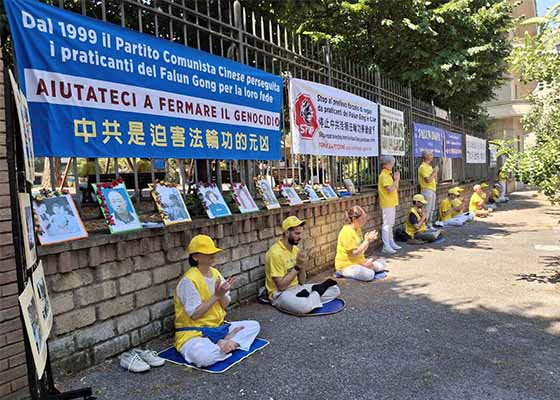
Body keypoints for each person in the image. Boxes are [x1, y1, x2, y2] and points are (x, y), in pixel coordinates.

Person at [174, 235, 260, 367]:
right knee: (205, 358)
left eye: (213, 252)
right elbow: (195, 315)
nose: (213, 255)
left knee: (253, 325)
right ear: (195, 257)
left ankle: (229, 343)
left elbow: (224, 305)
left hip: (218, 328)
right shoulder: (189, 280)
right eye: (207, 252)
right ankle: (223, 344)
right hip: (194, 334)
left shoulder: (215, 273)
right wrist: (216, 295)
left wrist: (222, 294)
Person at [265, 216, 341, 314]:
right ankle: (316, 293)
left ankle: (309, 298)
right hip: (281, 294)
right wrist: (297, 266)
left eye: (300, 233)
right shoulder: (275, 253)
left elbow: (302, 281)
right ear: (287, 233)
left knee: (335, 290)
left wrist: (302, 265)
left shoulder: (295, 250)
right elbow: (281, 287)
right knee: (303, 307)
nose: (300, 237)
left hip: (298, 288)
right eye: (297, 233)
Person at [335, 206, 386, 281]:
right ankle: (366, 268)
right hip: (346, 266)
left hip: (359, 263)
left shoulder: (358, 229)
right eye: (362, 218)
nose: (365, 221)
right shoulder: (347, 232)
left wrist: (367, 240)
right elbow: (353, 253)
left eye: (365, 218)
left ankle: (366, 267)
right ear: (354, 219)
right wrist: (366, 240)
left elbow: (362, 250)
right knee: (369, 275)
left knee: (382, 263)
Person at [377, 155, 401, 254]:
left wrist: (396, 180)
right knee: (387, 224)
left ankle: (391, 242)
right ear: (386, 164)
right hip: (387, 202)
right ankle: (386, 245)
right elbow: (390, 190)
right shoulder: (383, 176)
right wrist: (396, 180)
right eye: (391, 163)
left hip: (391, 202)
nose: (392, 165)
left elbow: (395, 188)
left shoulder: (388, 175)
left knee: (391, 224)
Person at [418, 151, 439, 229]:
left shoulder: (430, 167)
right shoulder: (422, 167)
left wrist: (435, 173)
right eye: (430, 154)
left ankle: (429, 224)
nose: (432, 156)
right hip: (426, 190)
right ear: (425, 156)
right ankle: (424, 225)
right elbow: (428, 180)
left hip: (433, 189)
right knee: (427, 209)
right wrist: (434, 172)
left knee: (432, 209)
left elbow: (435, 180)